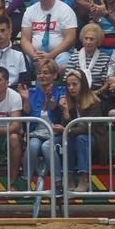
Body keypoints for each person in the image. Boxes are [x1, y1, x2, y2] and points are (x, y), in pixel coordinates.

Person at [22, 61, 65, 191]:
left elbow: (54, 108)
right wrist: (25, 100)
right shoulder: (31, 91)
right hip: (37, 132)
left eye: (46, 73)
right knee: (33, 145)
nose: (42, 76)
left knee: (47, 146)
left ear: (54, 75)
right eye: (39, 73)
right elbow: (27, 113)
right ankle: (26, 182)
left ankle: (58, 182)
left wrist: (49, 99)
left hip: (55, 132)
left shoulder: (61, 90)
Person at [21, 0, 78, 71]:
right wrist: (33, 54)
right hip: (35, 56)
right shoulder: (30, 11)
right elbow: (25, 39)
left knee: (66, 64)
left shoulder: (65, 10)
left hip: (59, 55)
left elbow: (70, 39)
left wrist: (50, 55)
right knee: (20, 62)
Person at [61, 68, 101, 193]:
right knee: (68, 139)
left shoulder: (94, 101)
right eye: (68, 85)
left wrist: (68, 130)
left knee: (81, 138)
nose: (71, 88)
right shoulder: (67, 102)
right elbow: (66, 127)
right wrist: (66, 114)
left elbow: (87, 128)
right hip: (75, 138)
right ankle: (69, 176)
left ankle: (85, 178)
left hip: (95, 139)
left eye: (74, 84)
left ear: (82, 85)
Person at [0, 15, 30, 96]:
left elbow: (25, 83)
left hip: (14, 95)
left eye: (3, 30)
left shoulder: (19, 55)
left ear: (10, 31)